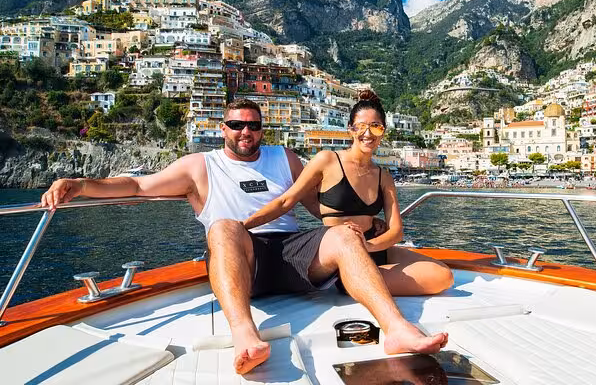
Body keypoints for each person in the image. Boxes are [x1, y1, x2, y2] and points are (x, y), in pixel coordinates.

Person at [40, 98, 448, 376]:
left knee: (341, 235)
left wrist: (361, 228)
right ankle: (245, 335)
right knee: (224, 226)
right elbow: (137, 186)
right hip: (239, 254)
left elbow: (314, 207)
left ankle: (396, 329)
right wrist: (81, 183)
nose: (245, 132)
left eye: (253, 125)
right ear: (223, 128)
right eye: (237, 125)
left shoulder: (284, 158)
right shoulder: (199, 166)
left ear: (261, 128)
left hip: (291, 250)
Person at [241, 90, 454, 296]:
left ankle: (361, 281)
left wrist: (368, 245)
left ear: (383, 131)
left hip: (374, 247)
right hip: (343, 253)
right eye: (360, 127)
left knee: (443, 275)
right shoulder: (327, 160)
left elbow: (396, 231)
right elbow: (285, 201)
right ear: (350, 129)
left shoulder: (384, 176)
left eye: (375, 127)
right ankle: (352, 279)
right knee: (434, 277)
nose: (368, 134)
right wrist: (243, 227)